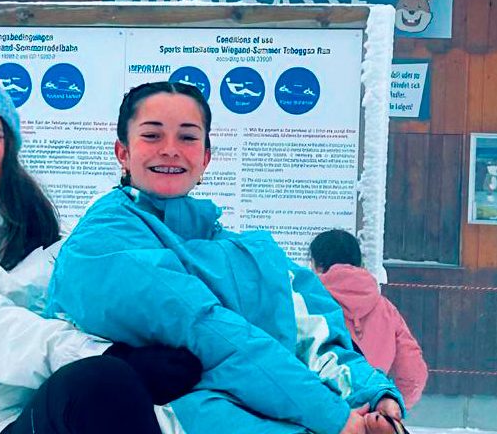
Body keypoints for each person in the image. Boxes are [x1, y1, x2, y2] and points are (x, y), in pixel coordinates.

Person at [46, 81, 406, 434]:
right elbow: (207, 332)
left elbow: (311, 332)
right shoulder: (103, 241)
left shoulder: (246, 253)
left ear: (205, 158)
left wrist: (371, 395)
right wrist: (334, 418)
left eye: (187, 137)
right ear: (122, 152)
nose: (170, 150)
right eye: (152, 135)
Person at [0, 72, 201, 434]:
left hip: (94, 416)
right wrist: (113, 356)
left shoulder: (56, 243)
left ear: (9, 149)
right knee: (99, 381)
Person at [310, 229, 429, 409]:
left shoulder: (306, 306)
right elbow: (413, 374)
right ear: (359, 262)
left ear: (318, 266)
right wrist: (388, 406)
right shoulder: (385, 309)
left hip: (316, 415)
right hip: (368, 414)